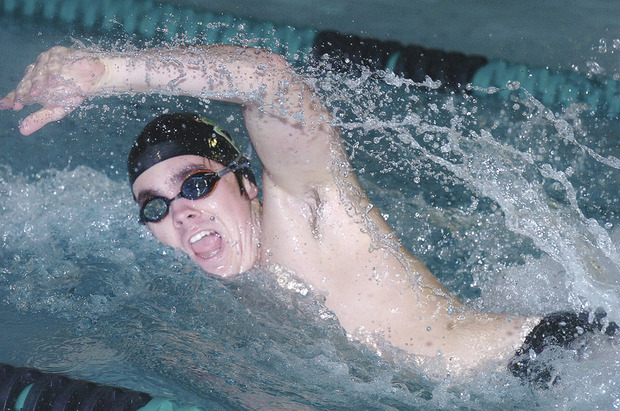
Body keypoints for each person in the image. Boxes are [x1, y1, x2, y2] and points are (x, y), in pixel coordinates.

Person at [1, 44, 614, 381]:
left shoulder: (304, 209)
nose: (181, 215)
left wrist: (106, 73)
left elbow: (269, 79)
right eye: (155, 206)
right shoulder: (240, 285)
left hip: (554, 359)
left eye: (194, 186)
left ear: (246, 184)